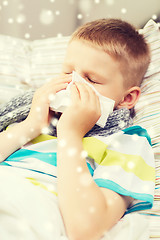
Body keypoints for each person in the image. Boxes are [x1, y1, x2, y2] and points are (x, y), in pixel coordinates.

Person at [0, 18, 155, 240]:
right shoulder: (33, 120)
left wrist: (70, 134)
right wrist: (31, 125)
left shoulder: (128, 143)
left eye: (91, 80)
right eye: (67, 73)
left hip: (36, 208)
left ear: (127, 98)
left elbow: (85, 229)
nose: (73, 85)